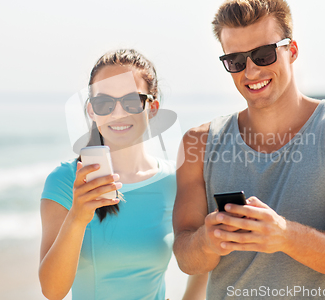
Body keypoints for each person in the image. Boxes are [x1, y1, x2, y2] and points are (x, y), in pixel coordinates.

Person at [173, 0, 325, 299]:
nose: (251, 71)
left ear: (292, 50)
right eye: (235, 61)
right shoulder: (199, 143)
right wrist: (207, 242)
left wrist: (286, 237)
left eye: (263, 55)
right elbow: (185, 258)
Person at [39, 49, 207, 300]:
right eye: (105, 103)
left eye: (131, 101)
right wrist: (77, 217)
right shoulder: (66, 181)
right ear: (91, 111)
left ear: (152, 107)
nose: (118, 113)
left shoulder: (176, 182)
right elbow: (52, 291)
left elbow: (203, 256)